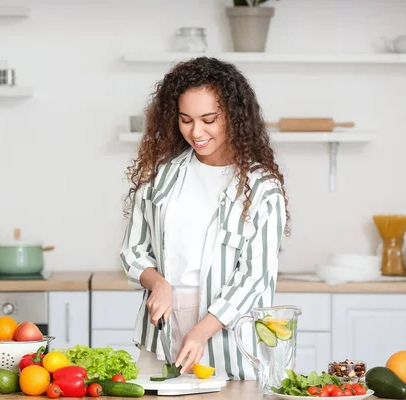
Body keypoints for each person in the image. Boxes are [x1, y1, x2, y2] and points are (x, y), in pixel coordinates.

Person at [119, 56, 290, 381]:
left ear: (234, 116)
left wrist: (200, 332)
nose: (196, 132)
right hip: (160, 334)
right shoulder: (160, 178)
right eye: (186, 120)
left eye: (209, 119)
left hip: (229, 337)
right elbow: (133, 251)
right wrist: (159, 284)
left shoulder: (262, 188)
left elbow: (254, 277)